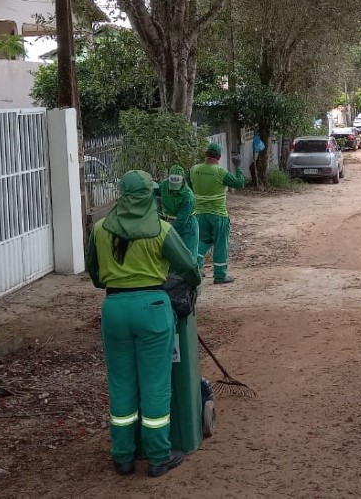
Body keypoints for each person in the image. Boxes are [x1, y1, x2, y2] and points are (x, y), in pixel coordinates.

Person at [86, 170, 202, 477]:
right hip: (152, 308)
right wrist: (191, 281)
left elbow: (95, 274)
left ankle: (123, 456)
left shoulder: (99, 229)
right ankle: (158, 457)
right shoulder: (161, 230)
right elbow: (189, 267)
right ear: (149, 196)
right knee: (155, 385)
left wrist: (117, 280)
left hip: (114, 309)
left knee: (121, 383)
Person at [189, 142, 245, 284]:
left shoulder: (194, 170)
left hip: (199, 213)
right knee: (220, 244)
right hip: (218, 215)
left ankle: (195, 268)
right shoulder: (220, 172)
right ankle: (220, 275)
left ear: (205, 154)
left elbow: (189, 188)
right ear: (219, 157)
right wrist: (238, 167)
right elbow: (239, 183)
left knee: (202, 241)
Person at [158, 165, 201, 269]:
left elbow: (182, 220)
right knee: (172, 256)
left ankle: (193, 281)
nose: (174, 190)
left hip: (187, 226)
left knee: (189, 256)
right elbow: (155, 194)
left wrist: (169, 231)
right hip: (168, 223)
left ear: (183, 181)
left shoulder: (188, 196)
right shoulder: (164, 185)